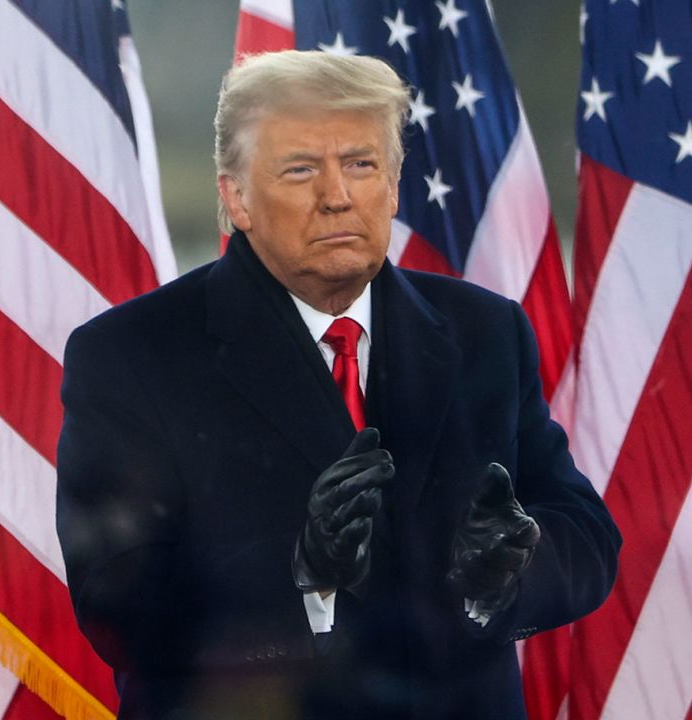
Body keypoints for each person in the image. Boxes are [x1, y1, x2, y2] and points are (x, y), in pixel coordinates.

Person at [55, 50, 620, 720]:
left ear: (394, 186)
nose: (337, 195)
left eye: (361, 164)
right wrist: (299, 573)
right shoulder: (131, 353)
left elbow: (586, 534)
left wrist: (513, 565)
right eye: (301, 169)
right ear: (234, 197)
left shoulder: (484, 333)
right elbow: (116, 604)